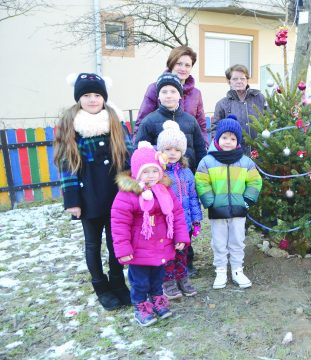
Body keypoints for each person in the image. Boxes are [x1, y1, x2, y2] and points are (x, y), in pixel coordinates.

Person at [54, 73, 133, 311]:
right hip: (87, 195)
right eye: (86, 95)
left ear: (103, 97)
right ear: (79, 98)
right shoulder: (71, 124)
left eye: (96, 95)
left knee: (115, 241)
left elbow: (128, 158)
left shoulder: (115, 122)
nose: (92, 99)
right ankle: (101, 286)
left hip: (115, 193)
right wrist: (72, 200)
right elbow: (66, 165)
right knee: (92, 244)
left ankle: (118, 283)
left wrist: (132, 189)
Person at [111, 141, 190, 327]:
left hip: (161, 246)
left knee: (157, 278)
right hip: (139, 250)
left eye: (155, 171)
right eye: (146, 172)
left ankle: (157, 299)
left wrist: (180, 236)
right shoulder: (128, 195)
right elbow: (119, 223)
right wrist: (123, 249)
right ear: (137, 173)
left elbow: (176, 214)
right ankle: (140, 305)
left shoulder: (164, 190)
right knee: (140, 281)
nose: (151, 176)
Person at [195, 117, 262, 289]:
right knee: (218, 241)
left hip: (239, 210)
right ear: (217, 139)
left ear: (238, 141)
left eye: (233, 139)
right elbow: (202, 181)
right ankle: (221, 270)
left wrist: (246, 200)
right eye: (225, 137)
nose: (228, 142)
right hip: (217, 211)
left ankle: (237, 270)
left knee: (237, 241)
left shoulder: (245, 162)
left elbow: (255, 182)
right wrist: (210, 201)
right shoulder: (207, 162)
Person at [155, 120, 202, 299]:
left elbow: (192, 197)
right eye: (168, 149)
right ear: (161, 151)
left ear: (182, 151)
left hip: (185, 222)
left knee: (182, 253)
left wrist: (196, 220)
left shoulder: (187, 172)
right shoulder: (159, 173)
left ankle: (182, 277)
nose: (172, 153)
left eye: (176, 150)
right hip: (166, 223)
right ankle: (168, 281)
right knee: (169, 253)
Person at [135, 73, 207, 175]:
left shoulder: (191, 121)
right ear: (158, 96)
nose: (169, 95)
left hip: (188, 177)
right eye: (164, 92)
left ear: (180, 95)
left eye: (173, 91)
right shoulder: (149, 121)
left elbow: (200, 150)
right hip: (161, 179)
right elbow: (140, 152)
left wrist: (201, 174)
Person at [135, 45, 207, 144]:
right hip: (160, 152)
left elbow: (201, 126)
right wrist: (139, 151)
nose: (183, 68)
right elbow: (141, 123)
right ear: (171, 64)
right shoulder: (154, 88)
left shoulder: (196, 93)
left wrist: (204, 147)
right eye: (179, 64)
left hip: (189, 153)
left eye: (187, 65)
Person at [213, 64, 267, 141]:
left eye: (242, 78)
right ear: (229, 82)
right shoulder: (222, 104)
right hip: (233, 151)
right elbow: (215, 128)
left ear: (247, 80)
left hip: (259, 148)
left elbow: (270, 120)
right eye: (235, 79)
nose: (239, 81)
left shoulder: (260, 98)